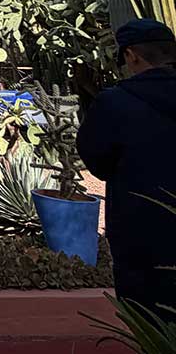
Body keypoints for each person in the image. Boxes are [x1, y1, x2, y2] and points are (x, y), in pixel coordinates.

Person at [77, 18, 176, 313]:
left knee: (150, 321)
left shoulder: (115, 103)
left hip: (142, 231)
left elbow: (96, 158)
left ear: (131, 55)